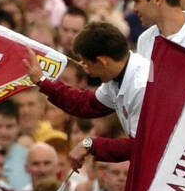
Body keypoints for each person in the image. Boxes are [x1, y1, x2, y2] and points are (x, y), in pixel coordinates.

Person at [23, 22, 147, 164]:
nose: (87, 71)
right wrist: (42, 81)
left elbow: (139, 147)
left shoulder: (141, 86)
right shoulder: (116, 77)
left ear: (102, 61)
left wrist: (90, 145)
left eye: (87, 64)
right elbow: (85, 104)